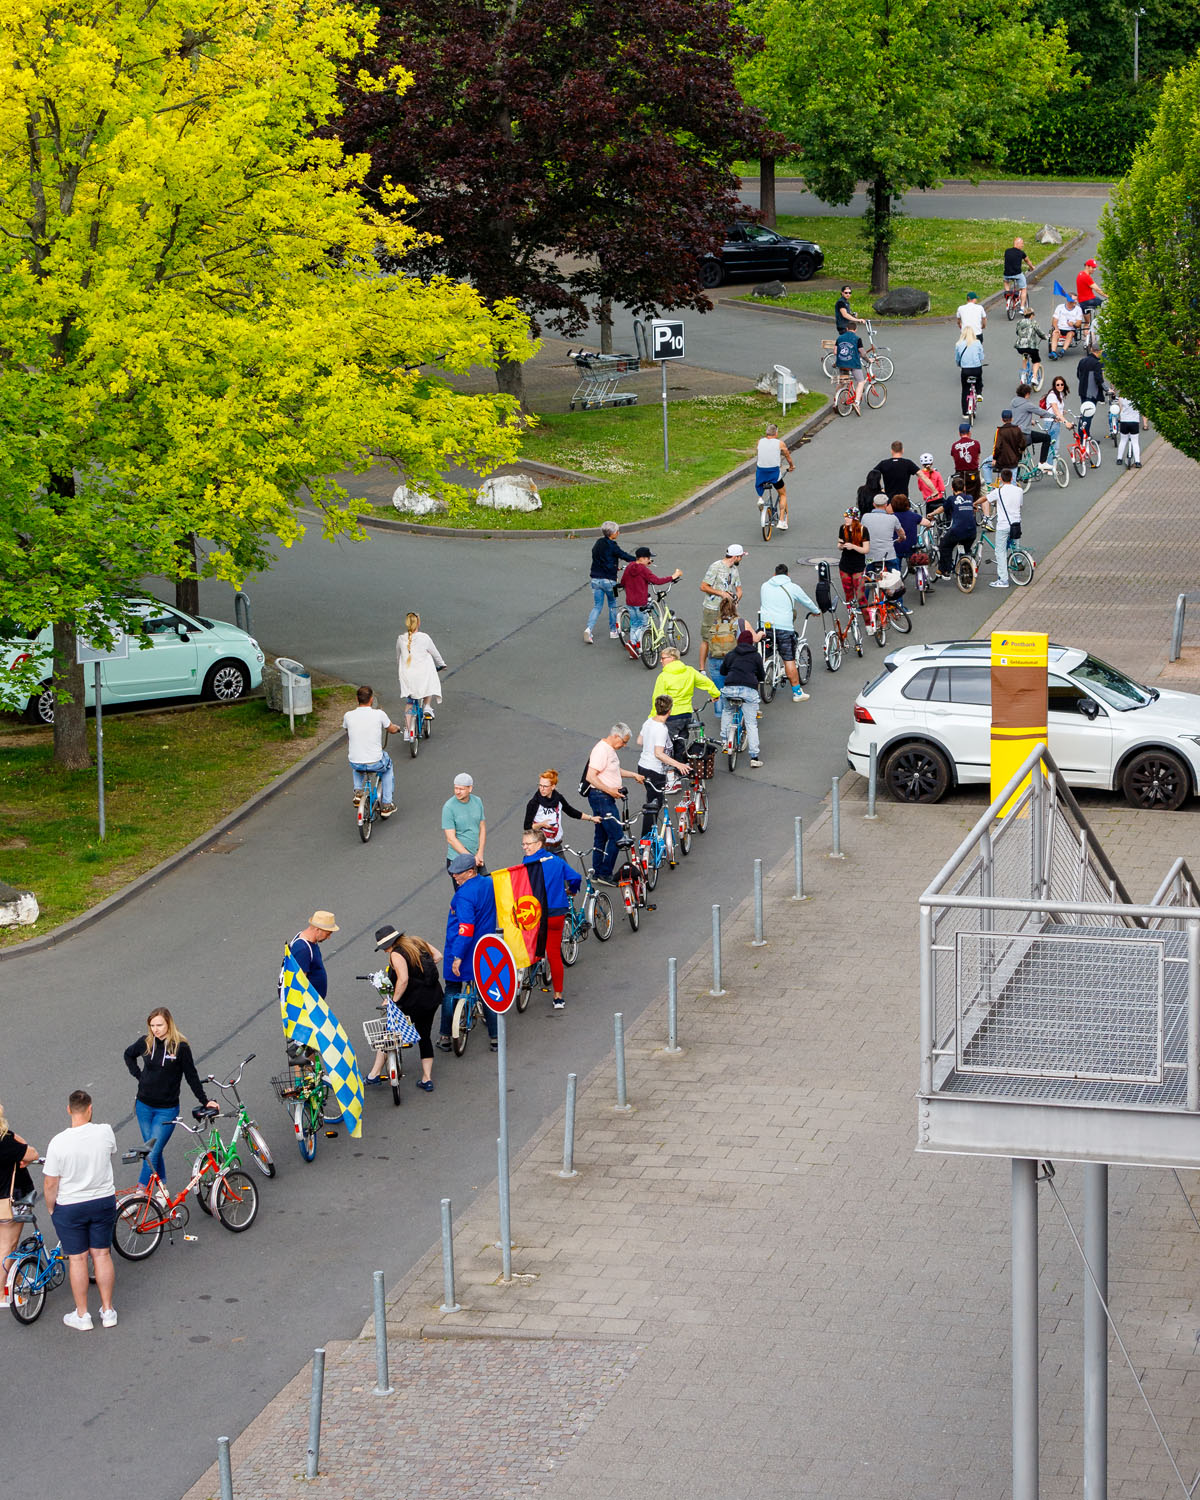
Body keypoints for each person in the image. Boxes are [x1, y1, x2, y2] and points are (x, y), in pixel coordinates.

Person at [43, 1090, 118, 1331]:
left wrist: (51, 1207)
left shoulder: (57, 1143)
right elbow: (110, 1152)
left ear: (68, 1110)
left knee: (77, 1258)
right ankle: (108, 1311)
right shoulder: (105, 1132)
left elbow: (50, 1183)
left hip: (70, 1206)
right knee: (102, 1255)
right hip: (102, 1200)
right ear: (90, 1108)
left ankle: (82, 1314)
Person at [123, 1008, 217, 1192]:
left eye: (159, 1025)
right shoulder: (146, 1042)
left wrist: (205, 1101)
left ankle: (140, 1193)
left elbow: (191, 1076)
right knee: (153, 1150)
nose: (155, 1029)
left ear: (169, 1024)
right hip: (143, 1106)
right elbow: (128, 1054)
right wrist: (139, 1076)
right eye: (152, 1026)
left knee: (151, 1151)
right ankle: (162, 1188)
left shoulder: (181, 1047)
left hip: (166, 1110)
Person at [366, 926, 443, 1091]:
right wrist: (421, 970)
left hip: (413, 1001)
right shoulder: (417, 942)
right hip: (432, 998)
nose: (385, 951)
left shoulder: (396, 953)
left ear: (391, 943)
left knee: (389, 1033)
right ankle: (427, 1079)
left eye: (385, 947)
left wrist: (392, 1000)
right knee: (425, 1035)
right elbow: (438, 956)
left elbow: (403, 980)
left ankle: (374, 1073)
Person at [438, 856, 498, 1050]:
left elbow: (465, 929)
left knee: (452, 989)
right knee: (486, 990)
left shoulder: (464, 895)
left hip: (462, 948)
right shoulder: (488, 883)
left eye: (458, 873)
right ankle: (496, 1037)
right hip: (484, 947)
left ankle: (446, 1036)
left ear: (471, 871)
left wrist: (457, 956)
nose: (454, 876)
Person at [519, 829, 582, 1010]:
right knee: (554, 953)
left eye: (527, 844)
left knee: (532, 944)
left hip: (536, 914)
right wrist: (572, 890)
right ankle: (558, 996)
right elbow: (575, 877)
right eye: (523, 844)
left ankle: (531, 971)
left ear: (538, 844)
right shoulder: (556, 860)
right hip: (556, 913)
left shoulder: (528, 863)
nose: (524, 847)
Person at [585, 723, 644, 884]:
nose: (624, 745)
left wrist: (633, 775)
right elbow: (591, 776)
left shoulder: (609, 750)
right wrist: (609, 790)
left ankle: (597, 871)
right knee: (617, 836)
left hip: (603, 797)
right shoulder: (601, 750)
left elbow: (613, 770)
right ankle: (605, 873)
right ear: (616, 736)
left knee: (602, 835)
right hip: (602, 797)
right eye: (624, 742)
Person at [649, 647, 721, 764]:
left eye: (663, 658)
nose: (660, 661)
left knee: (666, 748)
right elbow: (706, 682)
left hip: (670, 716)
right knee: (681, 746)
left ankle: (670, 775)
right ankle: (681, 771)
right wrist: (715, 694)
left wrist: (653, 718)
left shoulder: (663, 676)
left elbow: (657, 700)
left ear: (672, 658)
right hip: (686, 715)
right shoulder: (690, 671)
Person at [758, 563, 818, 703]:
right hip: (784, 627)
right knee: (788, 660)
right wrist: (816, 611)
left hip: (765, 627)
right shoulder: (792, 587)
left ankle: (762, 678)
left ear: (774, 575)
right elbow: (807, 601)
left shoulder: (764, 586)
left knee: (763, 655)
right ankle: (797, 692)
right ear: (788, 575)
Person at [343, 685, 400, 818]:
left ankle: (358, 791)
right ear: (371, 699)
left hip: (355, 761)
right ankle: (386, 804)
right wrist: (397, 728)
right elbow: (391, 729)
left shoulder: (348, 715)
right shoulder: (379, 714)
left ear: (357, 699)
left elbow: (346, 729)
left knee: (357, 763)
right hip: (375, 761)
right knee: (388, 766)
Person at [0, 1101, 37, 1309]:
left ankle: (16, 1281)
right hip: (10, 1198)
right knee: (8, 1246)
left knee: (2, 1245)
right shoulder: (4, 1140)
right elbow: (30, 1153)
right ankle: (2, 1294)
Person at [637, 694, 691, 828]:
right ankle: (647, 838)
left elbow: (639, 741)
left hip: (642, 766)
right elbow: (659, 754)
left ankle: (649, 837)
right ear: (670, 710)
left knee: (651, 800)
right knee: (656, 804)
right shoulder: (661, 729)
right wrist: (678, 764)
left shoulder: (649, 721)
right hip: (655, 770)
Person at [395, 611, 446, 740]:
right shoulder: (424, 637)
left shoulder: (401, 639)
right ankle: (427, 707)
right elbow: (435, 654)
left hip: (408, 676)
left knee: (410, 702)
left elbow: (398, 658)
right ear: (419, 623)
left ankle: (407, 729)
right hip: (422, 675)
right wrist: (442, 664)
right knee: (429, 679)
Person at [619, 546, 682, 649]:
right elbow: (657, 581)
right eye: (648, 558)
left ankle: (632, 647)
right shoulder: (644, 570)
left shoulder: (630, 567)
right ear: (642, 558)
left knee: (634, 624)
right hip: (641, 602)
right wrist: (673, 576)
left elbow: (623, 582)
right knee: (644, 625)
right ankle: (634, 644)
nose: (649, 560)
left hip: (630, 602)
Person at [719, 631, 766, 768]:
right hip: (748, 691)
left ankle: (724, 740)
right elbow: (761, 675)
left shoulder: (731, 654)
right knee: (751, 724)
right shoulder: (756, 656)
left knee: (727, 711)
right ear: (751, 642)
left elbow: (723, 671)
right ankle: (754, 757)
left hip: (730, 688)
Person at [523, 769, 599, 852]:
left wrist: (591, 818)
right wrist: (541, 824)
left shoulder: (558, 799)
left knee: (564, 865)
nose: (542, 789)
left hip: (557, 846)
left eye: (545, 786)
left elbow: (571, 812)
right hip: (541, 848)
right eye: (540, 785)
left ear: (553, 787)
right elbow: (527, 827)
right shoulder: (534, 803)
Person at [584, 521, 636, 644]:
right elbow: (624, 555)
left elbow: (601, 560)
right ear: (612, 533)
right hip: (610, 582)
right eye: (617, 531)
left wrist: (613, 566)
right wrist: (638, 560)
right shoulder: (612, 545)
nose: (618, 533)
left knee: (597, 606)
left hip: (595, 580)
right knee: (613, 604)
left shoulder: (598, 544)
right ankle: (613, 631)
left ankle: (589, 629)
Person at [698, 544, 745, 670]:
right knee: (707, 638)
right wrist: (722, 593)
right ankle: (702, 668)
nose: (741, 559)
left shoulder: (734, 569)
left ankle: (725, 664)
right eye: (740, 556)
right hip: (712, 608)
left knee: (727, 635)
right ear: (735, 557)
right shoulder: (716, 567)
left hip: (728, 610)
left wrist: (736, 599)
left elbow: (739, 589)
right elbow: (703, 586)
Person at [932, 475, 980, 578]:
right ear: (964, 488)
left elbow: (942, 509)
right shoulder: (970, 498)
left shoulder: (951, 499)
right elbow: (972, 508)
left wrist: (931, 514)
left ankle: (946, 570)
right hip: (972, 532)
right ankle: (967, 563)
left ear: (952, 489)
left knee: (945, 545)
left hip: (958, 531)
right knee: (966, 549)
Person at [987, 469, 1024, 588]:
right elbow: (1020, 505)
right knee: (1015, 545)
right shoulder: (1019, 490)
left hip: (1003, 525)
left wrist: (975, 504)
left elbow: (986, 499)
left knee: (1000, 551)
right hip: (1016, 524)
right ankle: (1017, 560)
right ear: (1012, 478)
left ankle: (1003, 579)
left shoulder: (998, 491)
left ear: (1001, 479)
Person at [442, 772, 486, 872]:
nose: (457, 792)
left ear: (470, 788)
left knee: (484, 886)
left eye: (461, 789)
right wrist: (471, 858)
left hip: (476, 857)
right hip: (458, 860)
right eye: (455, 788)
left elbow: (482, 828)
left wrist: (480, 853)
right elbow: (450, 838)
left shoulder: (477, 801)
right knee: (465, 888)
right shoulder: (449, 807)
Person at [754, 423, 796, 529]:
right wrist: (791, 466)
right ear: (776, 433)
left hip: (761, 472)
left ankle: (760, 499)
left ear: (766, 433)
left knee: (759, 482)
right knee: (783, 494)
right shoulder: (780, 443)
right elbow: (788, 457)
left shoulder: (759, 441)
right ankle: (781, 521)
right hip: (773, 472)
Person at [1010, 382, 1053, 469]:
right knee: (1046, 438)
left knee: (1019, 455)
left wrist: (1029, 421)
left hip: (1013, 433)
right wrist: (1054, 416)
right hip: (1024, 434)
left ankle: (1017, 476)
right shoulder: (1027, 404)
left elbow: (1018, 416)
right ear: (1027, 394)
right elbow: (1041, 411)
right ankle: (1042, 462)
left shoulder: (1013, 402)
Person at [863, 494, 905, 577]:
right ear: (886, 505)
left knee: (868, 575)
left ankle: (869, 588)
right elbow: (901, 532)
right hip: (888, 555)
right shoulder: (892, 518)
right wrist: (902, 537)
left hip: (870, 555)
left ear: (874, 504)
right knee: (895, 575)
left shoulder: (865, 517)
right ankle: (895, 589)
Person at [837, 510, 869, 608]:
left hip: (858, 566)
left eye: (848, 517)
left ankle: (868, 621)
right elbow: (839, 544)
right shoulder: (843, 528)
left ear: (855, 519)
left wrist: (853, 546)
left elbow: (866, 550)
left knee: (860, 595)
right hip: (844, 565)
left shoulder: (863, 530)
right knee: (848, 594)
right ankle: (851, 617)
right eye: (845, 516)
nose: (846, 519)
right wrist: (841, 546)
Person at [1013, 307, 1048, 387]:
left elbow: (1017, 332)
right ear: (1031, 315)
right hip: (1031, 346)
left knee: (1024, 356)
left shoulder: (1019, 322)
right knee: (1036, 360)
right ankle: (1034, 377)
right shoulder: (1033, 322)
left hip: (1020, 346)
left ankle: (1024, 374)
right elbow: (1039, 332)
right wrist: (1045, 337)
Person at [955, 325, 985, 414]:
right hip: (976, 368)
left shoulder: (958, 344)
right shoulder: (977, 343)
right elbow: (981, 356)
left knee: (965, 389)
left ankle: (965, 412)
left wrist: (959, 365)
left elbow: (957, 359)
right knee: (979, 380)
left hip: (965, 370)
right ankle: (979, 393)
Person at [834, 327, 865, 410]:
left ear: (847, 329)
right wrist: (868, 360)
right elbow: (862, 353)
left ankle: (836, 399)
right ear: (855, 329)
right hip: (853, 365)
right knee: (861, 382)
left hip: (841, 364)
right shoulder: (857, 339)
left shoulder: (839, 338)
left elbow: (835, 352)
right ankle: (857, 403)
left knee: (842, 382)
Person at [950, 421, 982, 499]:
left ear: (959, 433)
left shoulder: (954, 445)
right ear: (969, 432)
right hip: (973, 473)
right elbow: (977, 458)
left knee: (958, 496)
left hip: (959, 474)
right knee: (976, 494)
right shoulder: (976, 443)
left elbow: (954, 459)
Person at [1076, 347, 1106, 432]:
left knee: (1083, 413)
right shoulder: (1097, 363)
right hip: (1092, 393)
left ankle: (1082, 435)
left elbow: (1078, 374)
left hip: (1082, 391)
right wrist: (1107, 390)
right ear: (1099, 351)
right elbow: (1099, 379)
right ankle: (1084, 436)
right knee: (1088, 415)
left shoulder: (1082, 360)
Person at [1116, 393, 1148, 467]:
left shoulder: (1122, 398)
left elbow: (1120, 409)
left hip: (1124, 421)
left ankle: (1119, 459)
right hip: (1134, 421)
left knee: (1123, 440)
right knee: (1135, 442)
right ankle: (1137, 462)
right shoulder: (1138, 398)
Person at [1003, 237, 1034, 311]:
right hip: (1017, 274)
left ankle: (1008, 295)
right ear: (1017, 243)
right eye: (1022, 244)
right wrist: (1032, 267)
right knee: (1024, 288)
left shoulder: (1007, 251)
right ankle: (1022, 307)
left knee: (1006, 281)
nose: (1022, 245)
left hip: (1007, 274)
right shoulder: (1021, 253)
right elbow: (1028, 261)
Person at [1044, 373, 1070, 453]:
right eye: (1057, 385)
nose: (1060, 386)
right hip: (1052, 423)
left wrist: (1062, 412)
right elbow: (1055, 411)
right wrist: (1066, 422)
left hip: (1055, 422)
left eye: (1062, 384)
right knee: (1053, 447)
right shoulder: (1053, 395)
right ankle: (1050, 464)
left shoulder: (1058, 394)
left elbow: (1057, 410)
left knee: (1053, 446)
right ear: (1054, 385)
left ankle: (1050, 463)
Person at [1075, 258, 1105, 329]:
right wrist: (1108, 296)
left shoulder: (1080, 274)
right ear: (1087, 266)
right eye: (1093, 267)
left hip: (1082, 303)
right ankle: (1106, 321)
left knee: (1087, 324)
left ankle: (1087, 339)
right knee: (1106, 304)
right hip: (1090, 300)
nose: (1094, 269)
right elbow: (1097, 289)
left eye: (1095, 268)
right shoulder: (1086, 277)